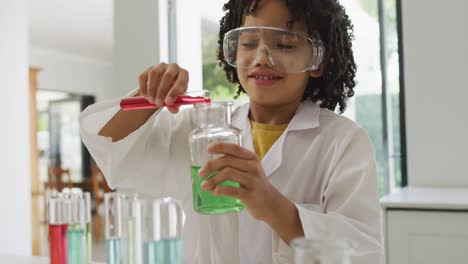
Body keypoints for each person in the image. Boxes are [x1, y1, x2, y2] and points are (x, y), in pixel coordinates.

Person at [80, 0, 382, 263]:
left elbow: (363, 252)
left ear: (317, 59)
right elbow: (111, 148)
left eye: (285, 44)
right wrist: (148, 98)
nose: (262, 57)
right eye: (249, 43)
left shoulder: (343, 142)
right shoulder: (200, 130)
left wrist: (270, 203)